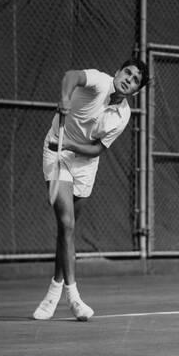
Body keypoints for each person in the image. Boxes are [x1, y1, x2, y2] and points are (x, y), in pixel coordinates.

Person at [33, 60, 149, 321]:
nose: (128, 80)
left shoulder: (124, 116)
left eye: (134, 81)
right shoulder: (98, 80)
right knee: (67, 222)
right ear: (118, 72)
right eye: (127, 73)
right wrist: (64, 96)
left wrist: (72, 145)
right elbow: (71, 74)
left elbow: (97, 149)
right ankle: (74, 298)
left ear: (135, 90)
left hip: (85, 163)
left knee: (67, 230)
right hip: (56, 150)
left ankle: (53, 292)